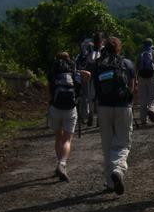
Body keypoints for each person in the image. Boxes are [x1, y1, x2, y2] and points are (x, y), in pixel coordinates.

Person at [81, 37, 136, 195]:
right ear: (119, 48)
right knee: (123, 143)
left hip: (103, 107)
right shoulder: (127, 63)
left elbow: (88, 79)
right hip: (123, 107)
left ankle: (110, 183)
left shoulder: (97, 64)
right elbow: (132, 85)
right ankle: (118, 170)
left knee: (107, 145)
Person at [47, 52, 80, 181]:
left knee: (58, 138)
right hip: (70, 109)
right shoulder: (73, 71)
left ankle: (59, 163)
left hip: (55, 107)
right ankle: (62, 163)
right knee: (67, 140)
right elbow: (79, 87)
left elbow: (49, 90)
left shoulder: (53, 72)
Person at [75, 32, 104, 127]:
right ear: (101, 40)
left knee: (90, 97)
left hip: (90, 77)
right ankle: (99, 119)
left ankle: (90, 114)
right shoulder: (103, 50)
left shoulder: (89, 49)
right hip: (101, 78)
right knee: (100, 98)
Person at [135, 38, 154, 125]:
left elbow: (136, 68)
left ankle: (143, 120)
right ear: (152, 45)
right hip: (153, 77)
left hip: (141, 77)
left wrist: (135, 79)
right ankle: (151, 110)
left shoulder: (139, 55)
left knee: (143, 98)